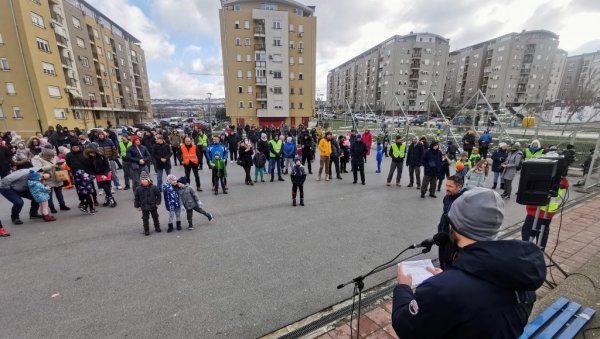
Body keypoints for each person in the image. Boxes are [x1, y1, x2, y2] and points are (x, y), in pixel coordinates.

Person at [392, 187, 546, 339]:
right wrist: (450, 279)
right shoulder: (523, 270)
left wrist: (403, 288)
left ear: (453, 224)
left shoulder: (442, 289)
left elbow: (406, 328)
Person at [522, 178, 569, 250]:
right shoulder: (563, 183)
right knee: (542, 235)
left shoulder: (546, 179)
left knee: (527, 235)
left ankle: (525, 254)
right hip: (548, 213)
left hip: (536, 211)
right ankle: (540, 254)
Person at [31, 146, 71, 213]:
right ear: (44, 155)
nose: (51, 157)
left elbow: (58, 163)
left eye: (52, 156)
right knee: (49, 194)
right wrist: (50, 166)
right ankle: (51, 207)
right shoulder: (37, 159)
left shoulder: (54, 156)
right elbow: (38, 169)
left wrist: (61, 164)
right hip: (47, 178)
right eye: (49, 156)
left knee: (59, 192)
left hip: (57, 177)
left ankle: (62, 205)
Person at [436, 175, 464, 269]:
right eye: (446, 185)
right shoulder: (446, 197)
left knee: (448, 262)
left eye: (450, 186)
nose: (447, 188)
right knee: (441, 258)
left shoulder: (462, 201)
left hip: (452, 238)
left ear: (459, 187)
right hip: (442, 233)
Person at [134, 171, 161, 236]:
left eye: (145, 179)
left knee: (155, 217)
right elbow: (136, 198)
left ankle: (157, 227)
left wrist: (157, 202)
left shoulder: (154, 187)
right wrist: (137, 206)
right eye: (142, 180)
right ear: (140, 181)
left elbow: (159, 195)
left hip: (153, 205)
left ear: (148, 179)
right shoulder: (138, 189)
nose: (144, 181)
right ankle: (146, 230)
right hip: (144, 206)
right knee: (145, 219)